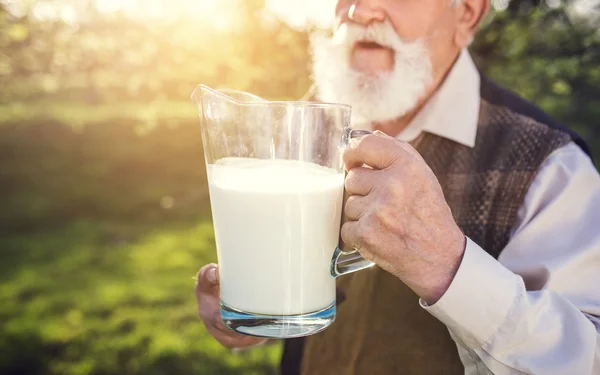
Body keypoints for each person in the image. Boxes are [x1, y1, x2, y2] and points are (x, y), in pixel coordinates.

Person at [195, 0, 600, 373]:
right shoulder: (306, 125)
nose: (360, 9)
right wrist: (258, 309)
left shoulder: (550, 167)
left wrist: (445, 265)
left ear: (467, 15)